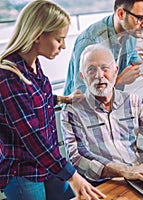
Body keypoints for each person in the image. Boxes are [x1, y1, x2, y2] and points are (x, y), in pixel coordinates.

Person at [0, 1, 105, 199]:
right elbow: (32, 136)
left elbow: (34, 100)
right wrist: (72, 175)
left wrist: (65, 99)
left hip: (47, 164)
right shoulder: (8, 77)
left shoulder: (33, 66)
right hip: (24, 173)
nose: (64, 46)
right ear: (38, 35)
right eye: (59, 39)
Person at [60, 44, 143, 184]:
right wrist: (125, 170)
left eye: (105, 68)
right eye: (91, 69)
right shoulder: (72, 111)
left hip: (138, 180)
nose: (99, 75)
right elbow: (78, 158)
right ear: (82, 76)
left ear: (115, 71)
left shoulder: (133, 102)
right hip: (101, 186)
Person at [63, 0, 143, 95]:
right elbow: (82, 96)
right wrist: (119, 81)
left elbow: (132, 56)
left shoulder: (130, 32)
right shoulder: (90, 42)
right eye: (140, 18)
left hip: (110, 105)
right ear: (121, 14)